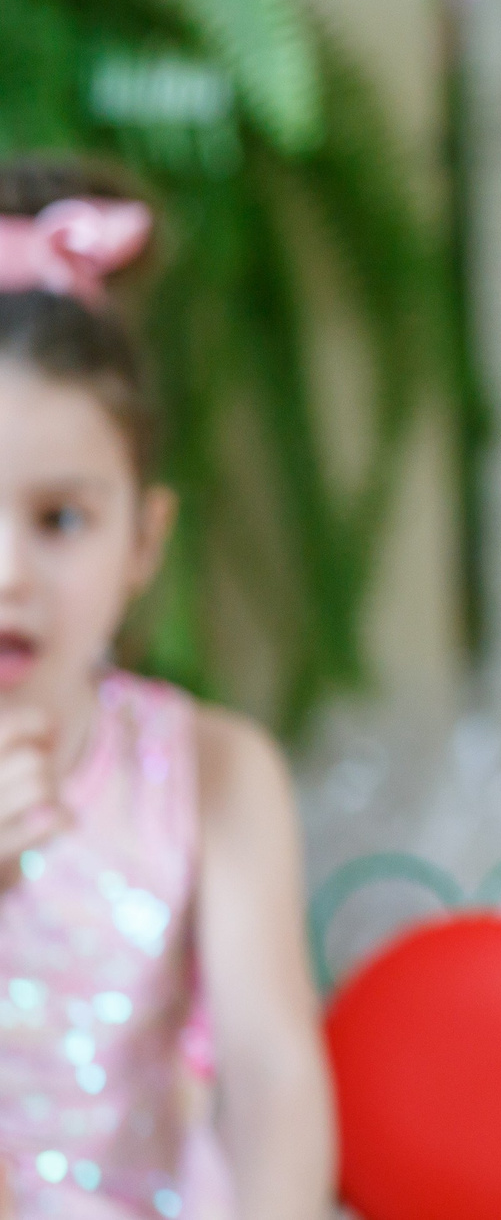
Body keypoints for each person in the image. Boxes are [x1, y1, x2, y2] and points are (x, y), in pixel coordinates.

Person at [0, 160, 335, 1217]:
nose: (7, 574)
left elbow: (272, 1069)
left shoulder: (209, 770)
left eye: (60, 520)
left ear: (144, 541)